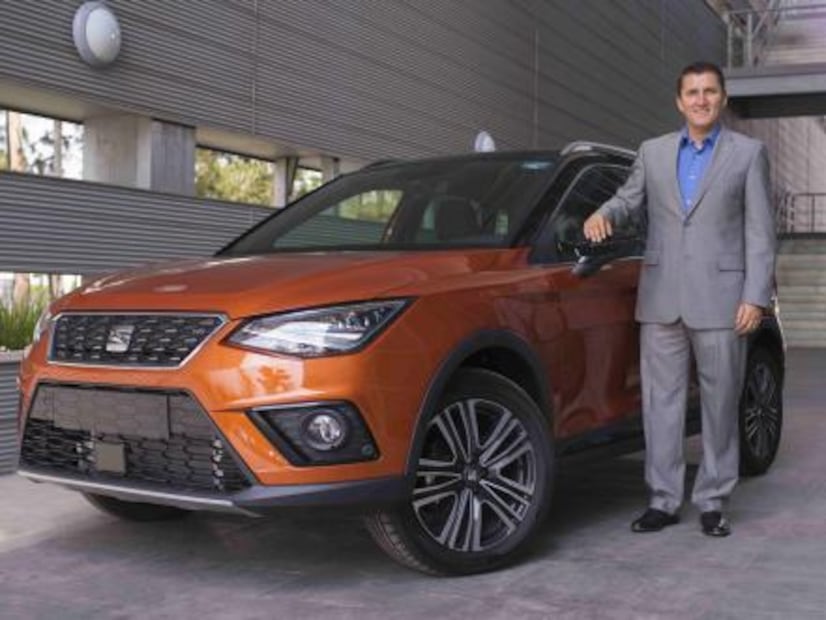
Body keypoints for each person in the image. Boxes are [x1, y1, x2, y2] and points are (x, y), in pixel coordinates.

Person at [583, 61, 776, 537]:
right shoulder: (652, 152)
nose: (701, 99)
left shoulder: (748, 154)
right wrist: (602, 214)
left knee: (720, 403)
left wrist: (755, 296)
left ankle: (713, 500)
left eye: (709, 91)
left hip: (723, 299)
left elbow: (760, 232)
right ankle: (663, 500)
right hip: (661, 298)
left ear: (723, 98)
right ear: (679, 101)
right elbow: (627, 200)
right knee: (660, 405)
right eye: (692, 92)